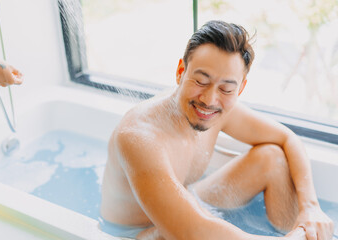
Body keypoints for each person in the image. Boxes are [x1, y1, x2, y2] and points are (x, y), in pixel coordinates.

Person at [100, 20, 334, 240]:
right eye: (201, 81)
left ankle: (305, 231)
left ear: (240, 88)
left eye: (226, 88)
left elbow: (287, 138)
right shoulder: (140, 136)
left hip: (186, 207)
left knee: (272, 158)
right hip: (138, 234)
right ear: (181, 71)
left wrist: (310, 208)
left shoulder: (219, 108)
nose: (209, 100)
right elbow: (193, 231)